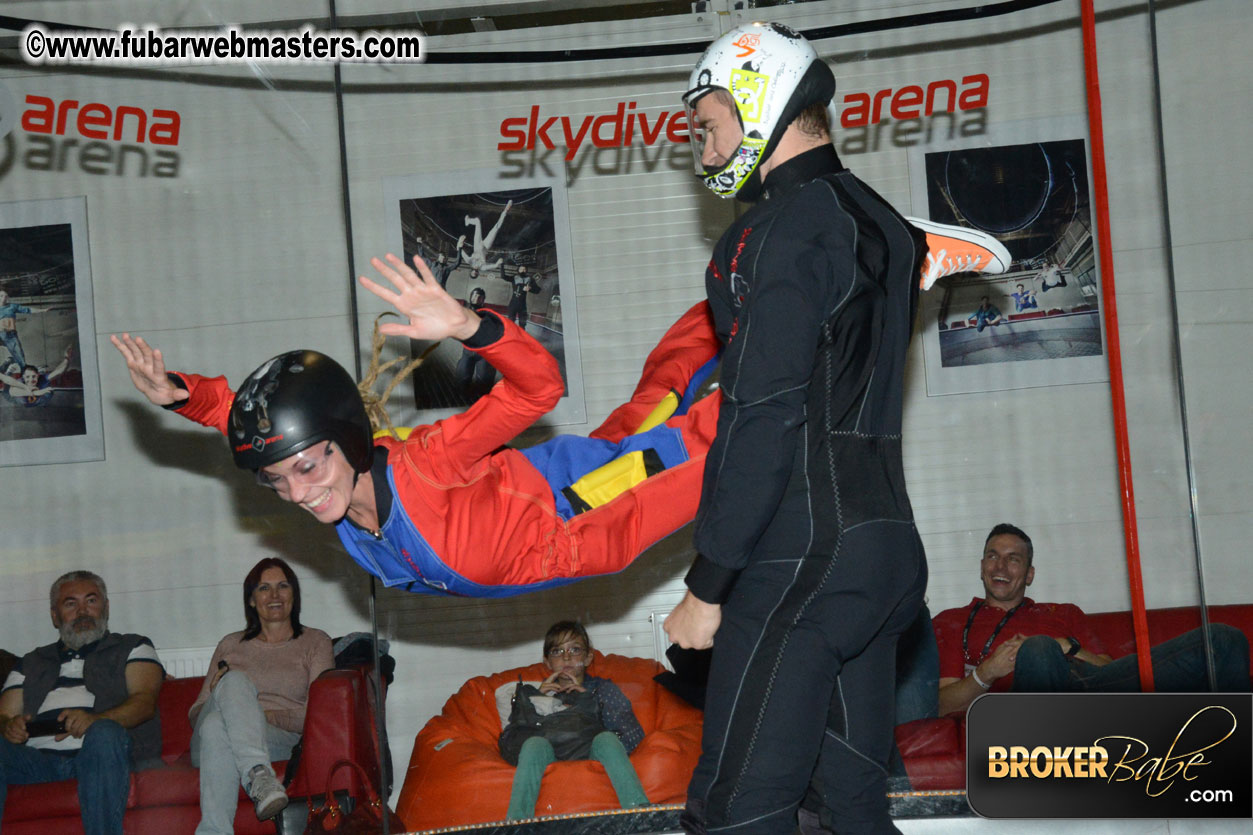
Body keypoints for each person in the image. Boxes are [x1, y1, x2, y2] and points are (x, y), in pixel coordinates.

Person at [662, 23, 930, 835]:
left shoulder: (776, 231)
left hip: (802, 563)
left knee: (735, 811)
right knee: (846, 807)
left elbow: (763, 413)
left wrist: (708, 585)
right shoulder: (882, 219)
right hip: (885, 555)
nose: (701, 150)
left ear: (761, 102)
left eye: (707, 125)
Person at [112, 253, 723, 598]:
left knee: (733, 438)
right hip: (569, 487)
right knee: (660, 397)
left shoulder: (427, 461)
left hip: (592, 508)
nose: (297, 493)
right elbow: (259, 428)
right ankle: (723, 310)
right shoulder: (339, 490)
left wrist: (469, 328)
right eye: (278, 481)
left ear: (347, 440)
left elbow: (539, 389)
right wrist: (183, 397)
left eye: (306, 469)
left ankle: (780, 336)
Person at [933, 523, 1251, 717]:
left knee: (1223, 639)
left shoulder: (1064, 612)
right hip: (1026, 706)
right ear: (981, 566)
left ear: (1028, 575)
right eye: (992, 556)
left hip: (1092, 689)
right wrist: (987, 672)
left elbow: (1107, 669)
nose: (1000, 565)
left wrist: (1067, 647)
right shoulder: (952, 621)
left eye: (1013, 559)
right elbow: (940, 704)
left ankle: (1231, 759)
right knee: (1038, 651)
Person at [0, 571, 164, 835]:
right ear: (55, 616)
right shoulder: (32, 662)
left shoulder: (133, 646)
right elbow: (4, 714)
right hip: (39, 763)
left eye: (91, 601)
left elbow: (144, 703)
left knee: (104, 732)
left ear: (106, 607)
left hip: (104, 754)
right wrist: (9, 726)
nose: (83, 611)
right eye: (70, 604)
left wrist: (95, 720)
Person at [188, 558, 334, 831]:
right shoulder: (231, 644)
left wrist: (253, 715)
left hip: (278, 738)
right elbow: (195, 716)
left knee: (216, 726)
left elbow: (318, 717)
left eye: (283, 586)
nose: (275, 595)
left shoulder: (316, 643)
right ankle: (260, 777)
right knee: (231, 685)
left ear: (294, 594)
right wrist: (215, 692)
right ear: (252, 600)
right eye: (264, 588)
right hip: (207, 741)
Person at [504, 621, 649, 820]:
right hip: (547, 754)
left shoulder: (602, 690)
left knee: (606, 739)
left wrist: (588, 700)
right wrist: (536, 700)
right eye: (557, 651)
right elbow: (512, 742)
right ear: (547, 661)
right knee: (533, 744)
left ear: (588, 657)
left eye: (575, 649)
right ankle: (516, 825)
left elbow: (634, 739)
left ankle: (641, 816)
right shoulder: (535, 693)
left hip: (591, 751)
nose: (566, 657)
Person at [455, 286, 498, 395]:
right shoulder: (464, 312)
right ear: (470, 297)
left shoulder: (488, 314)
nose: (476, 299)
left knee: (484, 383)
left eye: (479, 297)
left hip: (483, 354)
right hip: (468, 353)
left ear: (483, 300)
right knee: (461, 381)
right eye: (474, 296)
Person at [0, 346, 72, 406]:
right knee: (6, 387)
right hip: (11, 397)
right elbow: (12, 392)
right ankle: (8, 371)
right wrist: (36, 392)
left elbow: (59, 371)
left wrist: (67, 358)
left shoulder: (42, 379)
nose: (31, 380)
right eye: (28, 377)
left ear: (38, 376)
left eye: (34, 376)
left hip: (34, 403)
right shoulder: (20, 382)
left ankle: (10, 371)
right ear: (24, 377)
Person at [460, 200, 513, 278]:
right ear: (478, 274)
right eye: (476, 275)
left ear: (471, 272)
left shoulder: (469, 261)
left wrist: (460, 242)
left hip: (477, 245)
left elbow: (460, 251)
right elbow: (494, 266)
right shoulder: (483, 268)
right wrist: (498, 263)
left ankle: (468, 221)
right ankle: (506, 210)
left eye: (473, 274)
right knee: (496, 228)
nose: (475, 273)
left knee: (477, 221)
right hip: (486, 246)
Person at [0, 289, 51, 371]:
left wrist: (42, 310)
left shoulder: (12, 306)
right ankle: (7, 364)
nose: (3, 298)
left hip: (10, 335)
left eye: (6, 296)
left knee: (20, 355)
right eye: (1, 296)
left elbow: (28, 310)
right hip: (1, 334)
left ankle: (24, 370)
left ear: (8, 297)